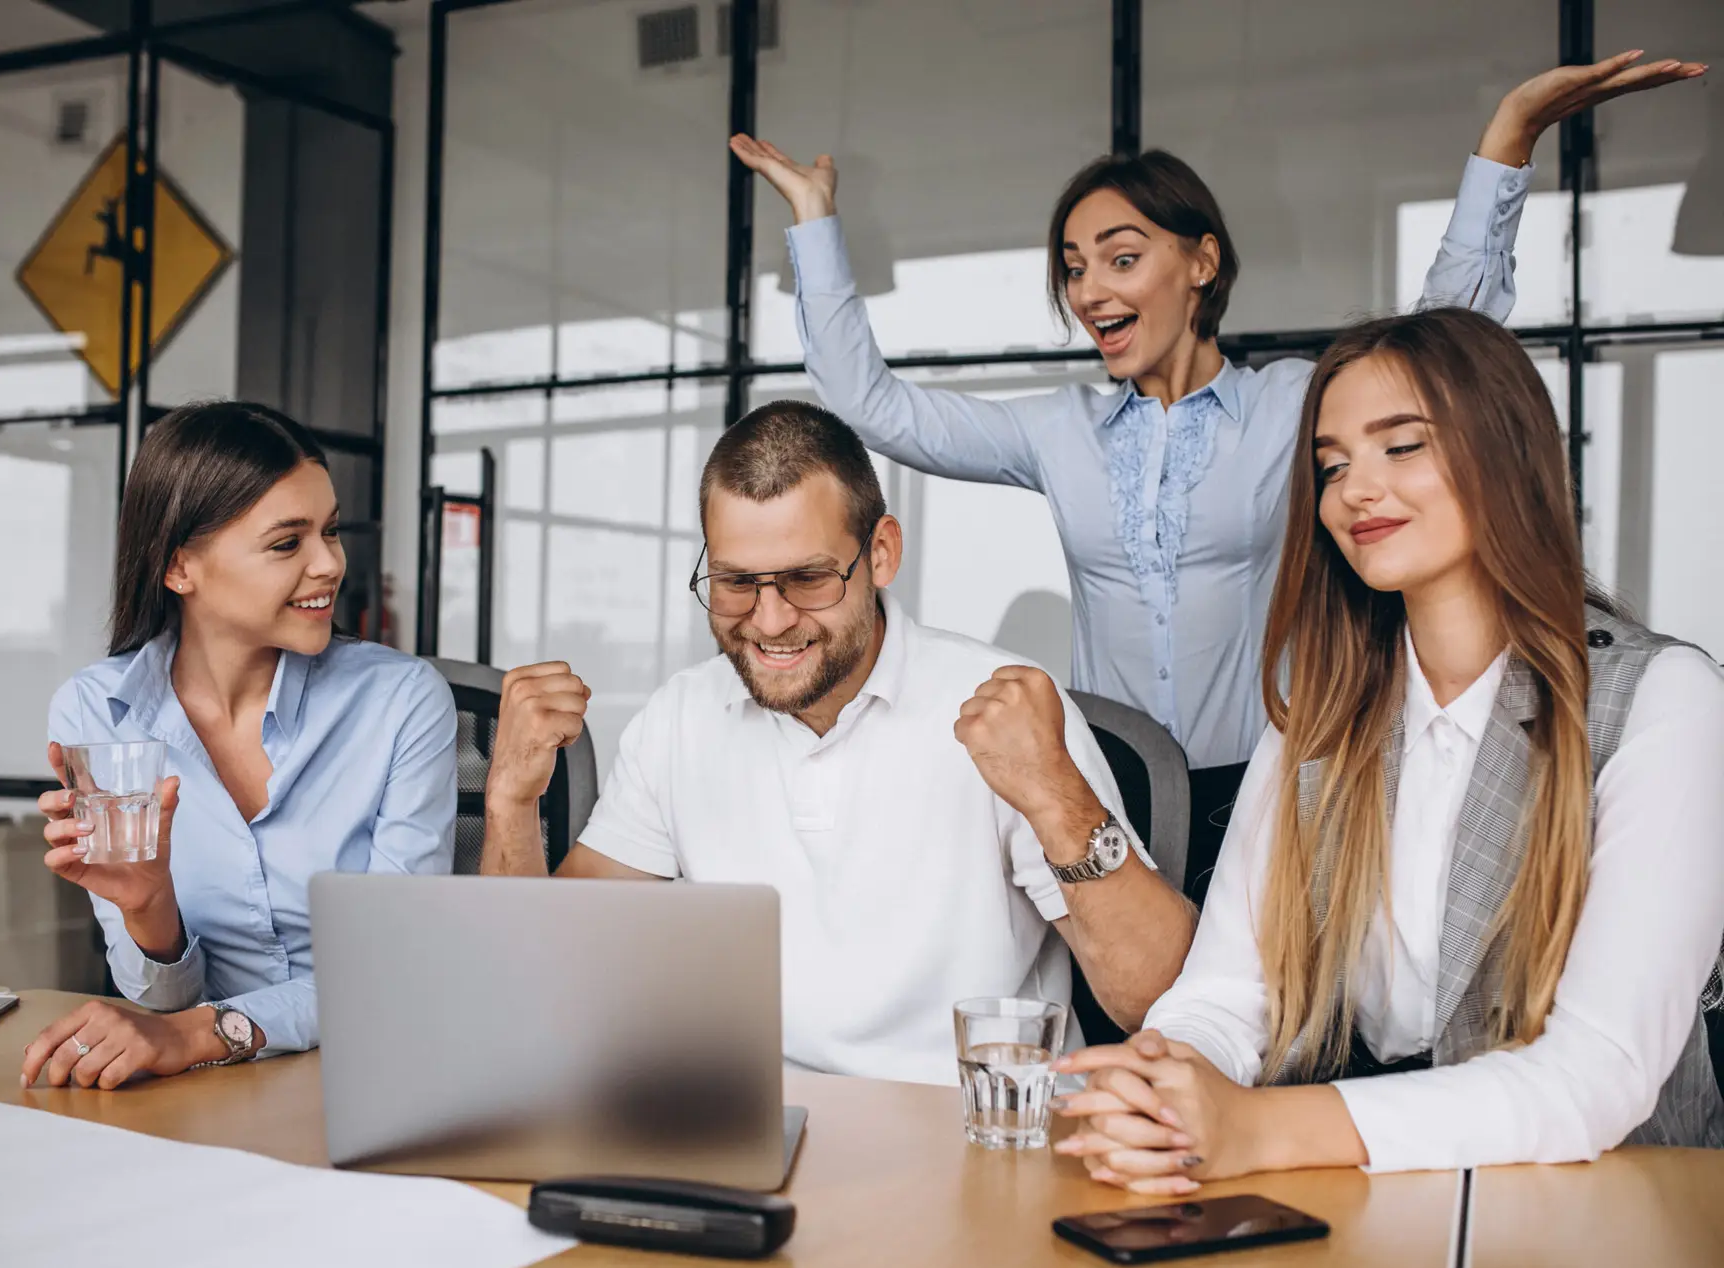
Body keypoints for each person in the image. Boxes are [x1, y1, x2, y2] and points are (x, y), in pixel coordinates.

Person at [732, 52, 1707, 904]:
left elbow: (1439, 347)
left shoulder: (1290, 407)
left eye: (1121, 257)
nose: (1090, 290)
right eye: (1074, 268)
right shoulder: (1058, 432)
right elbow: (875, 407)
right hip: (1110, 786)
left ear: (1201, 262)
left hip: (1277, 782)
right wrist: (814, 223)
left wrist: (1508, 139)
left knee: (1264, 1019)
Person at [1049, 309, 1724, 1195]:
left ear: (1507, 451)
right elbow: (1228, 992)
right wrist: (1165, 1083)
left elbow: (1600, 1075)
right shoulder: (1321, 711)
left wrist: (1256, 1128)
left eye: (1401, 447)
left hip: (1609, 1205)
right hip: (1363, 1193)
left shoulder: (1663, 697)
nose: (1355, 491)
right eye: (1332, 466)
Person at [480, 401, 1197, 1085]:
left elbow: (1154, 1000)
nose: (769, 621)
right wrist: (510, 802)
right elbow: (544, 986)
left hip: (969, 1128)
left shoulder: (1004, 706)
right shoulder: (678, 719)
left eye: (807, 579)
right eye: (736, 582)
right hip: (754, 1124)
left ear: (880, 553)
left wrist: (1059, 800)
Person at [19, 402, 458, 1091]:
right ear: (179, 568)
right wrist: (147, 907)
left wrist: (202, 1033)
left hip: (386, 1074)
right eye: (287, 544)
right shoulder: (97, 711)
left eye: (330, 531)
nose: (329, 564)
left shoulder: (401, 700)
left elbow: (391, 972)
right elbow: (159, 1001)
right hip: (208, 1089)